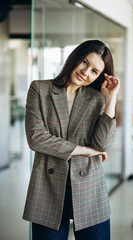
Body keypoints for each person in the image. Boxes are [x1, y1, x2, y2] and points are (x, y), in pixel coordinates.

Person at [23, 39, 120, 240]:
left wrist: (110, 100)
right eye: (85, 62)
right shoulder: (39, 90)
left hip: (90, 190)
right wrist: (85, 150)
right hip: (47, 189)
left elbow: (101, 145)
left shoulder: (96, 99)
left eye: (95, 71)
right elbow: (36, 138)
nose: (86, 72)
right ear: (75, 57)